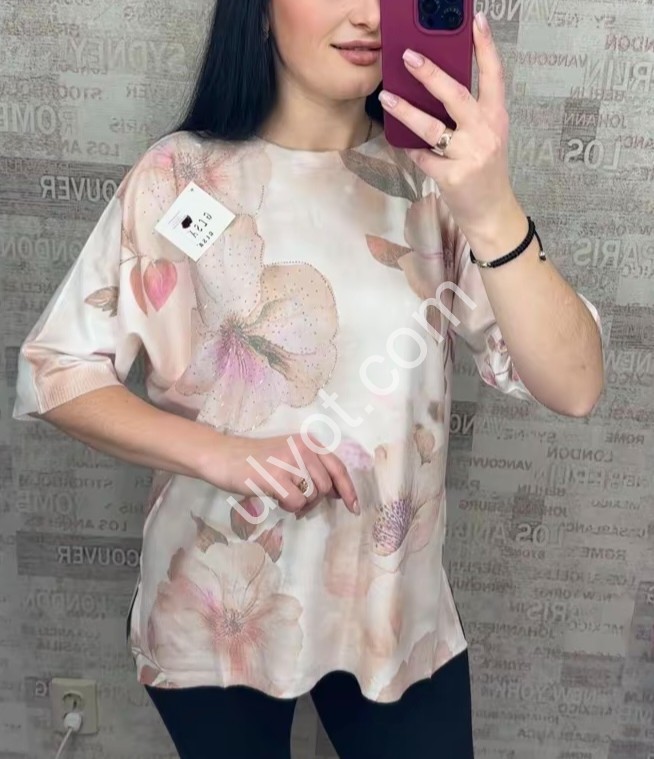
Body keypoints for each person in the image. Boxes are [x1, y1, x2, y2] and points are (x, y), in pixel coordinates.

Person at [12, 1, 604, 757]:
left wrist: (492, 210)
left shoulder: (435, 184)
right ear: (258, 12)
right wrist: (226, 455)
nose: (366, 15)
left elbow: (575, 385)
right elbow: (56, 369)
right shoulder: (179, 177)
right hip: (215, 605)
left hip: (390, 609)